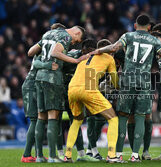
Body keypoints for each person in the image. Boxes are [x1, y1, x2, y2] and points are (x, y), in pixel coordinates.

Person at [87, 14, 161, 162]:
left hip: (128, 80)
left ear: (135, 25)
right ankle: (135, 155)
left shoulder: (128, 36)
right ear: (149, 27)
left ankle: (119, 154)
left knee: (123, 116)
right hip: (145, 82)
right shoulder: (153, 40)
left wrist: (99, 50)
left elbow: (114, 48)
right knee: (141, 117)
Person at [28, 25, 87, 163]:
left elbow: (31, 52)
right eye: (78, 39)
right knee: (53, 116)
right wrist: (76, 60)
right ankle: (53, 156)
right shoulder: (65, 36)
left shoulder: (48, 33)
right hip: (52, 78)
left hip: (39, 77)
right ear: (77, 32)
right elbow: (55, 52)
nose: (75, 42)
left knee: (41, 117)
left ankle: (39, 156)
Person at [64, 38, 121, 163]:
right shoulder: (109, 58)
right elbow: (114, 79)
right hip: (88, 88)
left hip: (72, 89)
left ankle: (67, 155)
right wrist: (119, 87)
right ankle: (112, 156)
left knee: (77, 121)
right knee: (113, 119)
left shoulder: (86, 57)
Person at [21, 54, 59, 163]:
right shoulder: (44, 52)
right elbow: (36, 63)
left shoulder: (45, 51)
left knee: (38, 120)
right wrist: (48, 65)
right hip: (31, 86)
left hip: (34, 85)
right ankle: (27, 155)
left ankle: (38, 155)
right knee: (35, 120)